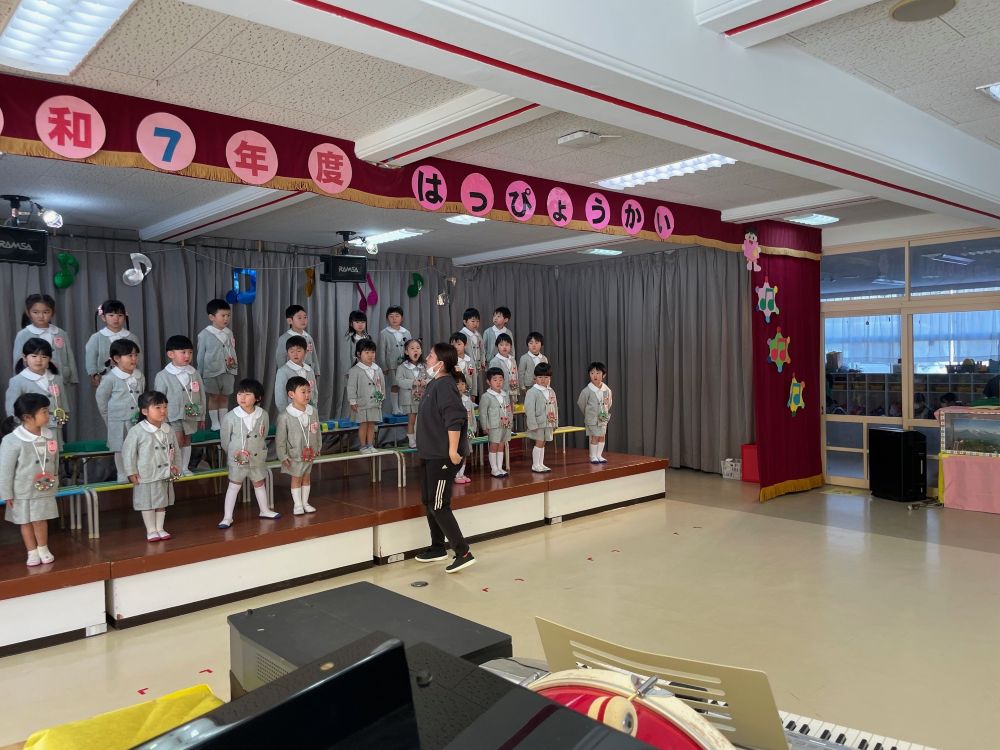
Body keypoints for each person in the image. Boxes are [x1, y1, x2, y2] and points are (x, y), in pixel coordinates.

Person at [414, 342, 475, 573]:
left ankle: (463, 552)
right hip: (429, 453)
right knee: (429, 501)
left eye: (430, 356)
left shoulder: (446, 386)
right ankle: (438, 547)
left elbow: (454, 419)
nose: (426, 358)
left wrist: (452, 450)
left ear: (441, 363)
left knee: (439, 504)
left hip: (442, 455)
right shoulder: (434, 384)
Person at [0, 393, 59, 566]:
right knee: (25, 521)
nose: (48, 415)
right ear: (27, 417)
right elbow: (5, 469)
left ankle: (43, 548)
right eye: (44, 412)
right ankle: (32, 552)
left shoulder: (50, 435)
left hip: (44, 487)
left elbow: (55, 461)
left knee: (41, 519)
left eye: (47, 411)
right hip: (22, 490)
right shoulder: (12, 440)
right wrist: (6, 493)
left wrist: (55, 479)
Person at [121, 391, 181, 542]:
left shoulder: (168, 429)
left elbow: (176, 450)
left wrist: (176, 466)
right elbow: (128, 453)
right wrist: (131, 472)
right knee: (147, 501)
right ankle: (151, 530)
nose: (163, 411)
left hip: (165, 473)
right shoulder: (137, 431)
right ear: (145, 411)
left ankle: (160, 528)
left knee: (162, 501)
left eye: (165, 407)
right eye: (158, 407)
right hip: (146, 474)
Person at [218, 379, 277, 528]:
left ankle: (264, 510)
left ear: (258, 398)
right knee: (234, 485)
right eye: (240, 394)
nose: (242, 397)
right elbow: (225, 440)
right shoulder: (230, 416)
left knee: (259, 483)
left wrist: (258, 449)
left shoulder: (263, 415)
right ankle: (227, 517)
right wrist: (234, 453)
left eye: (247, 394)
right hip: (238, 460)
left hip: (257, 458)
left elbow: (263, 435)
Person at [153, 335, 205, 476]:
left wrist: (202, 416)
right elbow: (158, 399)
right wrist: (160, 418)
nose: (187, 356)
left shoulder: (194, 373)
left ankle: (184, 467)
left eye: (190, 352)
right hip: (172, 415)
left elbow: (202, 395)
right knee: (176, 440)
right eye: (183, 352)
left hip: (191, 414)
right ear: (171, 354)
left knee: (187, 440)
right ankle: (173, 467)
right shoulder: (163, 375)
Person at [95, 339, 145, 482]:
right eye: (129, 356)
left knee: (136, 445)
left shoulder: (139, 376)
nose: (134, 359)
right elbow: (101, 399)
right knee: (120, 446)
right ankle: (122, 473)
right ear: (117, 358)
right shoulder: (110, 378)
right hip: (118, 419)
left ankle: (136, 471)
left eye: (135, 355)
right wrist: (109, 418)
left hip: (136, 418)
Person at [6, 338, 69, 446]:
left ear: (49, 359)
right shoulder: (17, 381)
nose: (39, 360)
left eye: (44, 357)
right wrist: (24, 428)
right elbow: (12, 410)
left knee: (54, 455)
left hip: (55, 429)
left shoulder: (56, 379)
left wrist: (61, 421)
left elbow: (63, 405)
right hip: (31, 431)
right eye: (34, 356)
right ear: (24, 357)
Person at [276, 376, 322, 516]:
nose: (307, 395)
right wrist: (283, 455)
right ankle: (297, 505)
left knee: (306, 477)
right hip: (294, 454)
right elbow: (280, 439)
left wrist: (318, 447)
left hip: (310, 453)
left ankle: (305, 502)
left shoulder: (313, 411)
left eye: (309, 391)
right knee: (296, 478)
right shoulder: (285, 416)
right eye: (303, 392)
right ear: (291, 394)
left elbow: (317, 431)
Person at [12, 294, 77, 388]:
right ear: (28, 312)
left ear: (53, 312)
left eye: (46, 312)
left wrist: (73, 377)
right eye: (35, 312)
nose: (41, 316)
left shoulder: (60, 333)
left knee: (59, 397)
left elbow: (69, 356)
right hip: (34, 382)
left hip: (60, 378)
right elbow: (18, 361)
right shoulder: (23, 335)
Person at [197, 299, 238, 431]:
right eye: (223, 315)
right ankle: (215, 423)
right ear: (212, 317)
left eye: (228, 315)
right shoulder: (204, 334)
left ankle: (224, 422)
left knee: (225, 396)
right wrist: (200, 373)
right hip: (211, 371)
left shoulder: (229, 332)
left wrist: (234, 367)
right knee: (214, 396)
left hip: (228, 370)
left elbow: (232, 350)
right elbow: (200, 355)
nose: (226, 318)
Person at [85, 299, 140, 388]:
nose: (116, 319)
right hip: (104, 378)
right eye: (111, 315)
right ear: (103, 317)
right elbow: (90, 358)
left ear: (124, 317)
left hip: (129, 378)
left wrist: (138, 374)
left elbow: (139, 359)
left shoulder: (131, 337)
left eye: (120, 315)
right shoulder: (96, 337)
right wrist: (94, 374)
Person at [347, 339, 384, 453]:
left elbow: (382, 384)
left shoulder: (377, 369)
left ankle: (370, 445)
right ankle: (363, 446)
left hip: (374, 403)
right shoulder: (355, 370)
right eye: (367, 352)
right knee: (363, 424)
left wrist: (381, 397)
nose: (370, 355)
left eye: (372, 352)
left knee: (372, 424)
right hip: (362, 403)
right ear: (359, 354)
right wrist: (352, 401)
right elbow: (351, 387)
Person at [524, 362, 558, 473]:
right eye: (540, 377)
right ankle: (535, 465)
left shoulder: (551, 391)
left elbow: (555, 407)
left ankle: (541, 464)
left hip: (549, 422)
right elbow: (529, 410)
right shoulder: (532, 392)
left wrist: (555, 423)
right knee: (539, 442)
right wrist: (532, 424)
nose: (543, 380)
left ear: (550, 378)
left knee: (543, 443)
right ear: (535, 378)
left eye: (546, 377)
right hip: (538, 423)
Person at [479, 366, 512, 478]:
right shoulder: (486, 396)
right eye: (495, 380)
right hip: (493, 425)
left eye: (501, 379)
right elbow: (483, 413)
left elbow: (509, 410)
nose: (498, 382)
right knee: (494, 445)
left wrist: (510, 422)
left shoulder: (505, 395)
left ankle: (500, 467)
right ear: (488, 382)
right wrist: (484, 426)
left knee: (501, 445)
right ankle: (494, 468)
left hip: (505, 425)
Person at [377, 306, 410, 416]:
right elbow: (381, 351)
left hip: (405, 365)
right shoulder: (384, 333)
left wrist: (411, 363)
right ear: (387, 318)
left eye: (397, 316)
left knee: (404, 386)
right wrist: (384, 366)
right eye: (391, 316)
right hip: (391, 365)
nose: (394, 319)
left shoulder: (407, 332)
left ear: (402, 318)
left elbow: (411, 348)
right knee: (395, 385)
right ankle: (395, 408)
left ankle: (403, 407)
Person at [577, 361, 612, 464]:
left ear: (603, 375)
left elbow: (609, 403)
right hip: (592, 418)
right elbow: (581, 403)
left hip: (603, 418)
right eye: (592, 373)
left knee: (602, 436)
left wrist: (604, 412)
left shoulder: (607, 390)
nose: (595, 376)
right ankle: (593, 456)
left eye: (598, 373)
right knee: (595, 436)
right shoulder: (586, 390)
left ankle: (599, 455)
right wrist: (589, 413)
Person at [396, 338, 427, 449]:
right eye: (412, 348)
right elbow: (399, 381)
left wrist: (425, 382)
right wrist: (412, 382)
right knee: (412, 420)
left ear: (421, 351)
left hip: (422, 398)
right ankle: (411, 440)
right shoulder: (402, 367)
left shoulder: (424, 366)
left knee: (422, 420)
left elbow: (431, 378)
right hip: (409, 399)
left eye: (418, 348)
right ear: (406, 352)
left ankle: (421, 439)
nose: (415, 350)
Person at [274, 304, 319, 377]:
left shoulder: (308, 337)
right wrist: (283, 373)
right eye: (299, 318)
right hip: (292, 374)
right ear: (290, 321)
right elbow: (280, 357)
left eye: (305, 317)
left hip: (308, 372)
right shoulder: (284, 338)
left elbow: (313, 355)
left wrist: (316, 371)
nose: (303, 320)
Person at [274, 335, 317, 411]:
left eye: (299, 351)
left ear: (305, 352)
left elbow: (314, 392)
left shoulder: (309, 370)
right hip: (291, 413)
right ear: (287, 353)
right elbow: (280, 397)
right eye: (291, 351)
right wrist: (286, 414)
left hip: (308, 411)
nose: (295, 354)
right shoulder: (283, 371)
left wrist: (314, 409)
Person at [342, 310, 371, 418]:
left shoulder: (368, 337)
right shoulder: (349, 338)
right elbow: (345, 357)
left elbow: (372, 354)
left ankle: (363, 417)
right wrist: (348, 371)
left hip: (367, 371)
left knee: (365, 393)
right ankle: (352, 418)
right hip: (353, 370)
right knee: (353, 395)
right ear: (351, 323)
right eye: (357, 322)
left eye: (363, 322)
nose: (360, 324)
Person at [454, 373, 475, 485]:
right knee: (456, 452)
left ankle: (461, 473)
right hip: (456, 432)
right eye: (457, 384)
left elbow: (472, 416)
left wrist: (473, 428)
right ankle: (455, 474)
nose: (460, 386)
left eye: (462, 383)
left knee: (465, 452)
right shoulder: (451, 400)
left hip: (467, 431)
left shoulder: (468, 400)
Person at [459, 308, 485, 398]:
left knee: (474, 384)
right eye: (473, 321)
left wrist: (482, 361)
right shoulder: (461, 335)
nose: (475, 324)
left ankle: (472, 398)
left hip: (476, 366)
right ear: (465, 322)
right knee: (466, 381)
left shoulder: (478, 335)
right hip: (466, 365)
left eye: (477, 321)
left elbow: (482, 350)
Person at [489, 333, 519, 401]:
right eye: (501, 345)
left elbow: (516, 374)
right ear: (497, 346)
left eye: (507, 345)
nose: (504, 347)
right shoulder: (494, 361)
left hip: (512, 389)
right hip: (501, 391)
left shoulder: (512, 359)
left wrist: (516, 388)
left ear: (511, 346)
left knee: (512, 407)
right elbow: (492, 378)